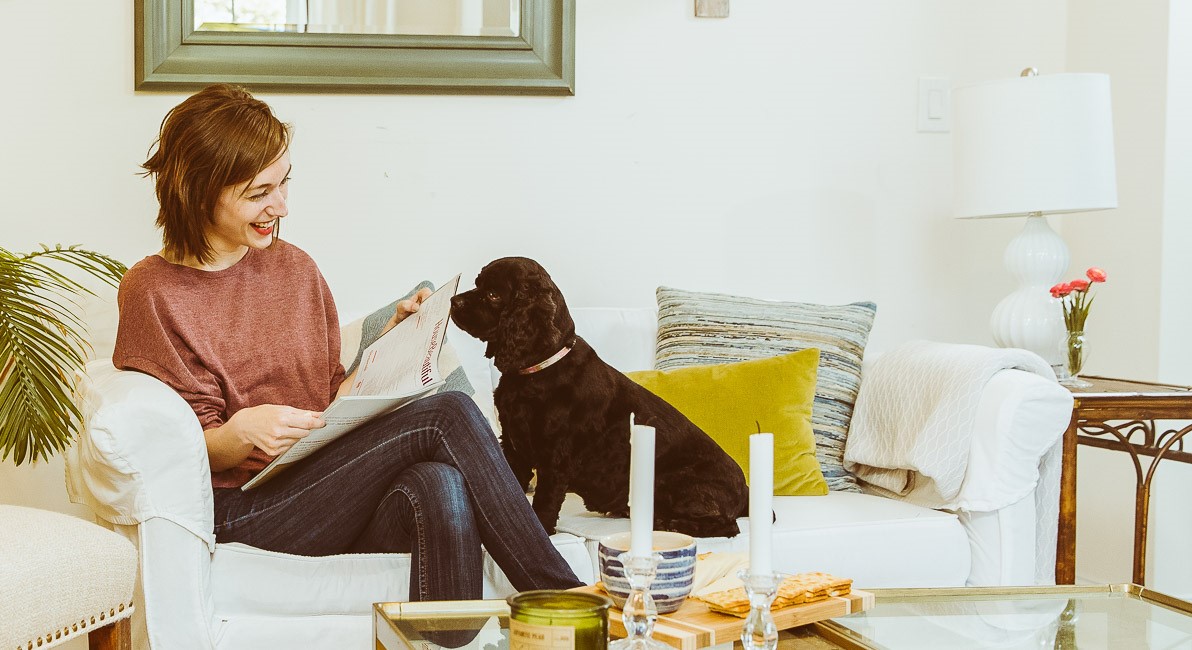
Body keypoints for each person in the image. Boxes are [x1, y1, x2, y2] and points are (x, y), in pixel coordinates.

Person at [113, 83, 584, 603]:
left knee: (440, 486)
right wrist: (240, 433)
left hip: (325, 487)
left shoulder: (295, 268)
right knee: (448, 414)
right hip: (246, 508)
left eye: (284, 184)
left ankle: (450, 640)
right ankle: (568, 601)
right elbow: (174, 449)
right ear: (201, 191)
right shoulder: (152, 291)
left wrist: (392, 348)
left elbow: (329, 402)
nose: (281, 206)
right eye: (259, 193)